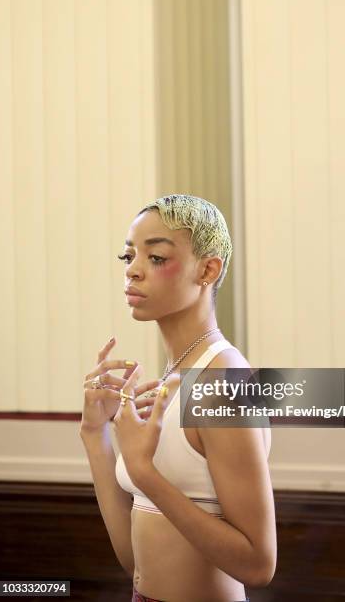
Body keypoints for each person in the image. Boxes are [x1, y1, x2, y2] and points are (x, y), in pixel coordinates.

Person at [80, 194, 276, 601]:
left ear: (208, 269)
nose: (132, 271)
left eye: (155, 258)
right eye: (128, 256)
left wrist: (144, 471)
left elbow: (259, 565)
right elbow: (135, 562)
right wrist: (95, 434)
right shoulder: (173, 378)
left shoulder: (223, 380)